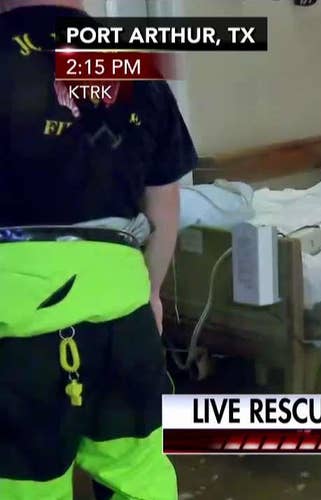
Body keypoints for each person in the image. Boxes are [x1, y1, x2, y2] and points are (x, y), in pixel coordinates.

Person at [0, 1, 196, 498]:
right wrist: (150, 294)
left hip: (17, 324)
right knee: (139, 475)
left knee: (27, 485)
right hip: (122, 309)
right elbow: (165, 201)